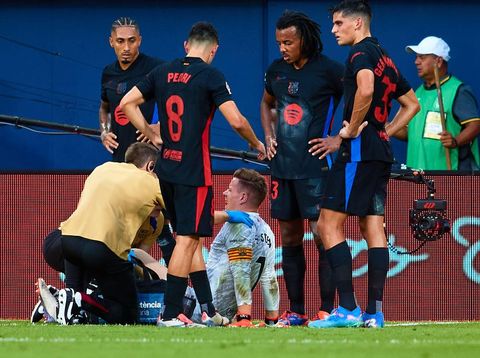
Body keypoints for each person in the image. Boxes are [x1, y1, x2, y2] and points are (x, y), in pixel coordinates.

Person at [119, 22, 266, 327]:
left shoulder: (161, 71)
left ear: (186, 45)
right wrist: (256, 144)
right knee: (187, 241)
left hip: (167, 170)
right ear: (214, 50)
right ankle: (170, 314)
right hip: (194, 172)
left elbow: (126, 103)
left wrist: (150, 133)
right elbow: (237, 120)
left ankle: (209, 310)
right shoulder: (211, 75)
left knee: (191, 239)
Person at [310, 0, 419, 329]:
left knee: (327, 224)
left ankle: (348, 309)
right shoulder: (384, 56)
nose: (333, 30)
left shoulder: (359, 54)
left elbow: (366, 89)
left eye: (339, 23)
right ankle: (374, 313)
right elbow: (411, 104)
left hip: (358, 150)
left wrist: (353, 127)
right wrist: (384, 131)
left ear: (358, 24)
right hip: (380, 151)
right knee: (373, 227)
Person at [260, 10, 344, 325]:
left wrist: (338, 138)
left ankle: (325, 310)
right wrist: (268, 136)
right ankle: (296, 310)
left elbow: (358, 100)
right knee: (290, 237)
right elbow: (265, 103)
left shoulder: (330, 71)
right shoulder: (276, 71)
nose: (282, 47)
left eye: (289, 42)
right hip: (282, 168)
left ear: (304, 40)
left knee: (323, 234)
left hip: (315, 166)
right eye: (279, 42)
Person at [39, 142, 165, 325]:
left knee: (75, 311)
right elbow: (182, 207)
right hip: (102, 248)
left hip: (69, 241)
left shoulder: (103, 168)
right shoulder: (149, 181)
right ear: (150, 166)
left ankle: (60, 302)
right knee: (128, 315)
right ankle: (78, 299)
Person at [190, 168, 279, 327]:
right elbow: (269, 277)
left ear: (243, 197)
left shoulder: (238, 225)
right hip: (221, 312)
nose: (224, 193)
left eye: (230, 190)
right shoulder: (267, 230)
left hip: (202, 311)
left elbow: (241, 270)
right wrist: (272, 320)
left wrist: (244, 317)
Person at [393, 36, 480, 170]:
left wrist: (455, 141)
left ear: (438, 61)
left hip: (448, 175)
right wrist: (383, 125)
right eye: (416, 57)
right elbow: (410, 133)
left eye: (422, 57)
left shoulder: (457, 90)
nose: (416, 62)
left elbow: (475, 125)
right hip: (418, 176)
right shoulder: (418, 93)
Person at [99, 17, 163, 163]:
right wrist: (104, 132)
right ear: (111, 42)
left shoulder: (157, 68)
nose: (126, 48)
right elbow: (104, 107)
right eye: (120, 41)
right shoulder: (108, 73)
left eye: (132, 40)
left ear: (139, 40)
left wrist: (159, 126)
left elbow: (177, 100)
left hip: (150, 158)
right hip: (120, 158)